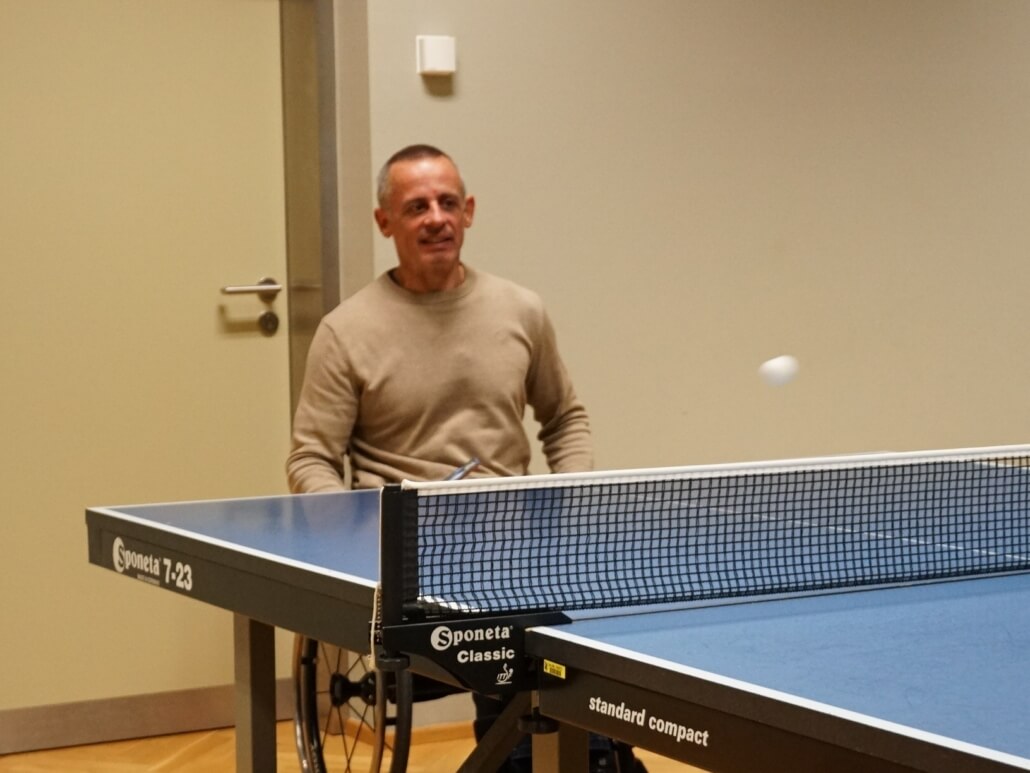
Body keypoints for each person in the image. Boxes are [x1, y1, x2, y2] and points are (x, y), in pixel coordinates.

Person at [287, 144, 630, 772]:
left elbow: (565, 419)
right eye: (416, 207)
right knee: (527, 666)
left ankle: (586, 757)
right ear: (385, 222)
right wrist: (352, 534)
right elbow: (311, 459)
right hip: (408, 562)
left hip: (516, 548)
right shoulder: (345, 331)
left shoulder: (521, 310)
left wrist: (569, 497)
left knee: (595, 655)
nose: (436, 218)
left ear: (468, 211)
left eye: (447, 203)